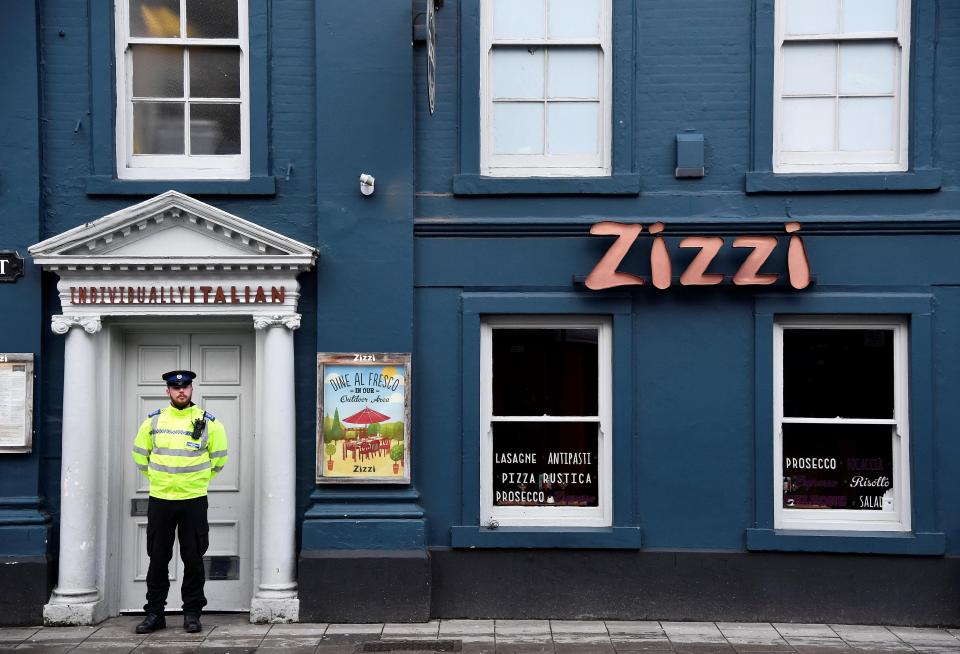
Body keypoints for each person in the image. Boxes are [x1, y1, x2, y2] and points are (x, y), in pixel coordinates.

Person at [130, 370, 228, 634]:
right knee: (158, 558)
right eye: (175, 388)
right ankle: (154, 614)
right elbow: (140, 455)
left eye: (185, 387)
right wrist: (158, 479)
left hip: (193, 499)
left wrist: (199, 480)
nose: (181, 391)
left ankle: (192, 614)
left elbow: (219, 458)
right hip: (161, 499)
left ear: (192, 390)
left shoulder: (208, 422)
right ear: (168, 391)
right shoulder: (153, 422)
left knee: (193, 558)